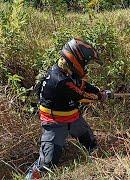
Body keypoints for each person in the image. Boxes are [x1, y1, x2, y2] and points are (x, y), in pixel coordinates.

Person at [26, 38, 113, 179]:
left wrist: (99, 91)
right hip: (55, 123)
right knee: (46, 164)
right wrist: (101, 96)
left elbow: (83, 85)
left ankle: (96, 167)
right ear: (76, 59)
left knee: (91, 143)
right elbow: (81, 95)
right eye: (85, 63)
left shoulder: (67, 70)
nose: (86, 66)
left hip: (73, 117)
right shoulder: (60, 80)